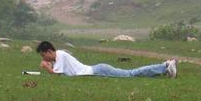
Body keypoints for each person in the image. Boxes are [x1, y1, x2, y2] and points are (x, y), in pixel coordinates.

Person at [35, 41, 177, 78]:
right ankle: (164, 68)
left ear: (49, 51)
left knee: (131, 74)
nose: (44, 58)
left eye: (43, 55)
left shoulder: (60, 55)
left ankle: (165, 66)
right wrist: (50, 66)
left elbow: (57, 76)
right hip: (98, 69)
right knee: (131, 74)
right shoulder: (59, 57)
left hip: (98, 71)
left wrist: (47, 67)